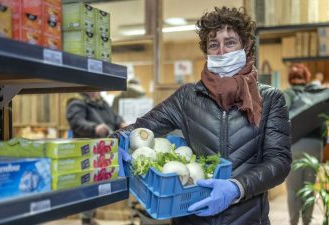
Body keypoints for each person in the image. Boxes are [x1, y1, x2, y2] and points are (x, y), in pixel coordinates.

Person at [111, 6, 291, 225]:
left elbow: (279, 162)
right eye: (214, 44)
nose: (222, 51)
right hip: (192, 216)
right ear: (206, 51)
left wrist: (237, 187)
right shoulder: (187, 97)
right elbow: (142, 128)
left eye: (230, 42)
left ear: (246, 46)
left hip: (247, 218)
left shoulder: (270, 99)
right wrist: (114, 143)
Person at [66, 92, 125, 225]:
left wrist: (121, 122)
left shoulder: (102, 103)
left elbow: (114, 117)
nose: (97, 91)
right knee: (89, 187)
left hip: (103, 151)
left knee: (98, 187)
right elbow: (77, 122)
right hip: (87, 152)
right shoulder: (77, 102)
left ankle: (89, 218)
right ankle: (86, 219)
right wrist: (95, 128)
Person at [283, 64, 325, 225]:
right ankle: (307, 222)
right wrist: (321, 143)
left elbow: (280, 121)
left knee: (293, 189)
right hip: (315, 144)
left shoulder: (286, 94)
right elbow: (323, 124)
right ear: (306, 78)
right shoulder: (314, 95)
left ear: (290, 79)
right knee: (309, 187)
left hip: (294, 145)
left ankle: (293, 222)